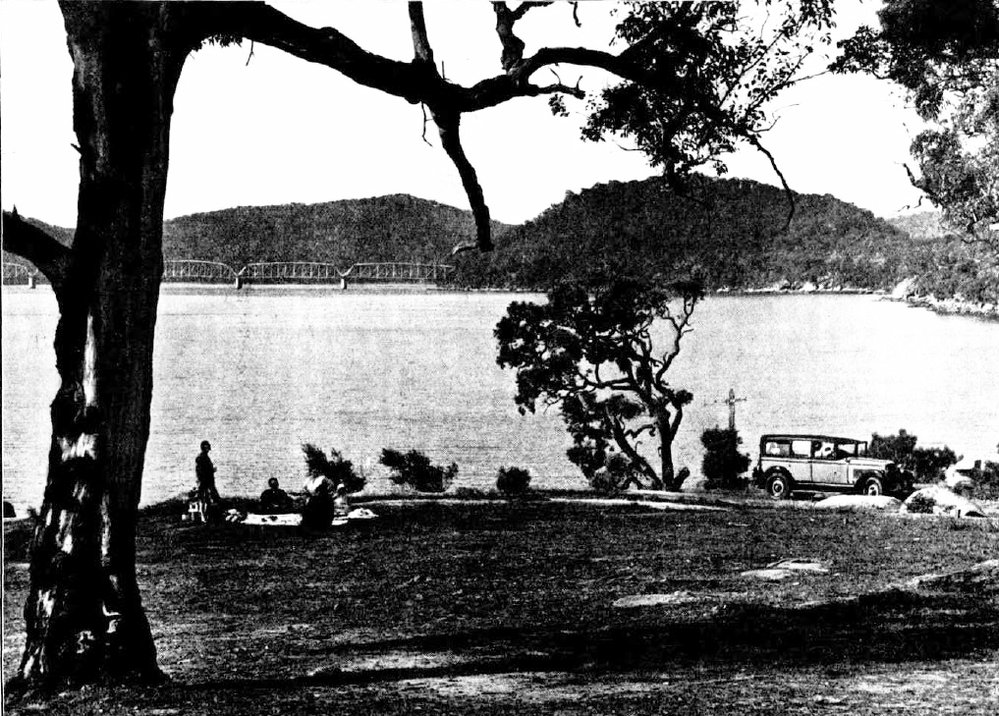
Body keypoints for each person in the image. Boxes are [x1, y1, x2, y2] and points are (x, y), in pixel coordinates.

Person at [195, 440, 221, 521]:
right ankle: (204, 516)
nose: (208, 448)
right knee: (204, 499)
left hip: (207, 481)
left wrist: (211, 470)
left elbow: (205, 470)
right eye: (207, 447)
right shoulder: (201, 458)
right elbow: (200, 471)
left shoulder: (205, 457)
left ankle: (207, 516)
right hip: (204, 482)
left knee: (207, 499)